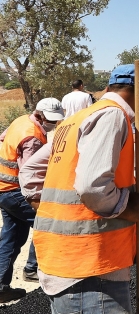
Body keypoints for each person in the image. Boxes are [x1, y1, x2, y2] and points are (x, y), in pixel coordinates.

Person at [32, 64, 139, 313]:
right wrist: (125, 208)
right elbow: (92, 186)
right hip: (90, 269)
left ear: (108, 88)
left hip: (65, 258)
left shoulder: (75, 120)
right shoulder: (112, 116)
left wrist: (49, 207)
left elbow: (30, 171)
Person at [0, 97, 64, 302]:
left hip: (3, 189)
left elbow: (2, 140)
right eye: (51, 120)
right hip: (15, 191)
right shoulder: (33, 137)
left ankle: (2, 287)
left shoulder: (21, 121)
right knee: (48, 222)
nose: (53, 124)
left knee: (11, 239)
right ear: (39, 115)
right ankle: (35, 268)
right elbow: (30, 173)